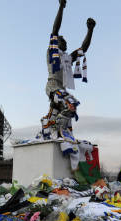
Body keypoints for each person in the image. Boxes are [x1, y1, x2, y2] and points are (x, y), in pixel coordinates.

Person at [41, 0, 96, 139]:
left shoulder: (67, 58)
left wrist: (90, 30)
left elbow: (83, 49)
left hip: (62, 88)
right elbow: (55, 30)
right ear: (56, 42)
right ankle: (55, 129)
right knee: (70, 104)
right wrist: (61, 7)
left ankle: (50, 127)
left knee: (63, 115)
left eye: (65, 41)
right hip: (53, 86)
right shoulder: (52, 52)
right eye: (62, 41)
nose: (65, 42)